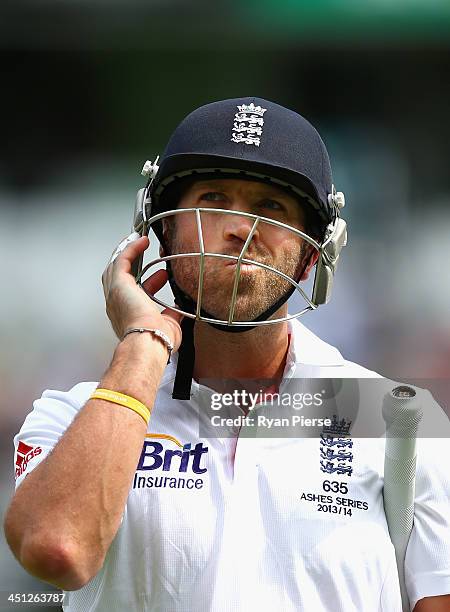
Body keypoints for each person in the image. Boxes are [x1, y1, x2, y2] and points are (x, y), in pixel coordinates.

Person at [4, 98, 450, 612]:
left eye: (272, 207)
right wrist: (143, 346)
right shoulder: (72, 415)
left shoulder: (399, 420)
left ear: (313, 255)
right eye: (213, 199)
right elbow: (56, 549)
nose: (241, 229)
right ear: (160, 231)